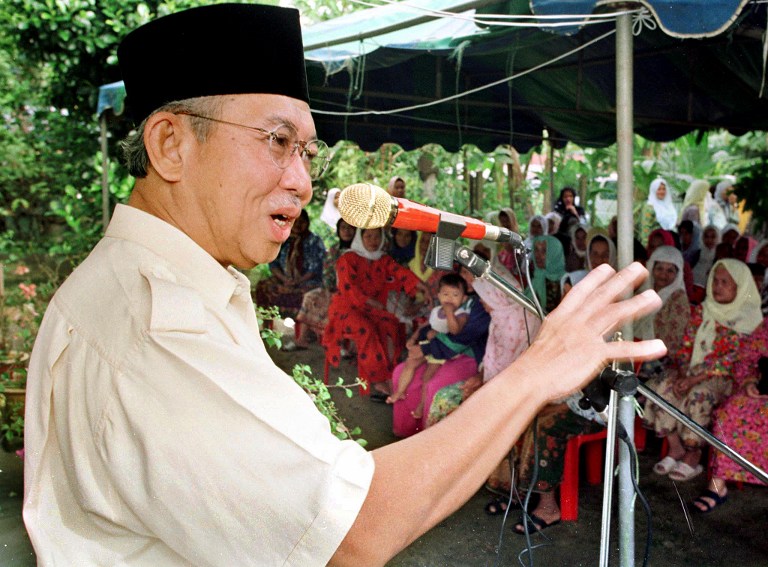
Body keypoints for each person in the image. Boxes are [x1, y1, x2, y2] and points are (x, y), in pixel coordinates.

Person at [22, 6, 666, 565]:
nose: (302, 182)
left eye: (307, 151)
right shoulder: (153, 326)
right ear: (170, 145)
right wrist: (534, 371)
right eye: (277, 141)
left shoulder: (152, 286)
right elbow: (351, 532)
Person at [644, 259, 762, 482]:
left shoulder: (748, 319)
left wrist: (693, 379)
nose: (717, 286)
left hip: (724, 377)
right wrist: (681, 373)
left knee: (700, 395)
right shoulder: (703, 310)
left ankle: (693, 454)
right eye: (715, 281)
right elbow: (686, 344)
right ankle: (675, 447)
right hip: (692, 371)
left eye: (725, 282)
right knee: (663, 386)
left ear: (741, 286)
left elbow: (732, 360)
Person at [323, 227, 428, 398]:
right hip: (346, 308)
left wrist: (421, 286)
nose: (373, 241)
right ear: (360, 237)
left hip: (372, 309)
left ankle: (391, 375)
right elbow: (347, 288)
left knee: (391, 325)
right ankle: (379, 380)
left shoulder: (382, 259)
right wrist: (369, 301)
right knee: (367, 329)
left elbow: (401, 273)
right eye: (368, 236)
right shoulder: (347, 258)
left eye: (377, 237)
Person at [692, 320, 768, 512]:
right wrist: (750, 381)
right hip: (763, 389)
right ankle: (718, 486)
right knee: (731, 412)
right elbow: (747, 357)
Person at [386, 273, 472, 417]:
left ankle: (421, 406)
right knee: (410, 363)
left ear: (464, 298)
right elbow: (426, 325)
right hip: (428, 346)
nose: (449, 298)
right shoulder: (436, 310)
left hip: (442, 351)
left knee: (427, 378)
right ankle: (399, 393)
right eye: (445, 294)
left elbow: (455, 330)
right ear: (438, 295)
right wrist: (413, 338)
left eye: (455, 295)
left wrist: (450, 313)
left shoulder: (461, 314)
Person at [254, 208, 326, 320]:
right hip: (284, 279)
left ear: (307, 223)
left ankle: (300, 327)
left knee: (309, 293)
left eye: (302, 222)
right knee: (263, 287)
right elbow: (273, 264)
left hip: (307, 281)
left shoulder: (314, 241)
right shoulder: (283, 238)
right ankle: (267, 323)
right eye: (296, 221)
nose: (298, 225)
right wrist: (285, 279)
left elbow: (315, 268)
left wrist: (297, 281)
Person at [295, 217, 356, 347]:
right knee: (310, 296)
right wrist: (331, 289)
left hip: (353, 294)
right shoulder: (334, 250)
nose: (347, 231)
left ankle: (338, 344)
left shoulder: (360, 250)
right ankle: (302, 339)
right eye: (343, 228)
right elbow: (327, 273)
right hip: (332, 289)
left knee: (339, 303)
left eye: (350, 228)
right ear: (338, 231)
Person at [635, 246, 691, 380]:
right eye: (659, 268)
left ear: (678, 274)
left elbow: (674, 338)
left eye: (670, 271)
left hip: (659, 357)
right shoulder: (642, 291)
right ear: (652, 268)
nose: (663, 275)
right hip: (634, 347)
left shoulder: (678, 298)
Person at [529, 234, 566, 314]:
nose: (537, 256)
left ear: (555, 254)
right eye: (536, 250)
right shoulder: (535, 274)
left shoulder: (565, 282)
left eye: (544, 251)